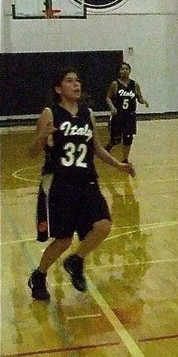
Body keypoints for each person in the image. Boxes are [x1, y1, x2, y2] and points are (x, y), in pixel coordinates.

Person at [27, 69, 136, 302]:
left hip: (87, 180)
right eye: (69, 81)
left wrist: (119, 164)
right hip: (60, 182)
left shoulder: (88, 114)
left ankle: (76, 260)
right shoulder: (50, 113)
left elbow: (96, 147)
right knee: (64, 239)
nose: (75, 84)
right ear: (58, 88)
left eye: (77, 80)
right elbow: (31, 153)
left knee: (104, 226)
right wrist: (40, 136)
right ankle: (39, 275)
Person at [105, 62, 149, 162]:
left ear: (130, 71)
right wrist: (112, 107)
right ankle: (109, 145)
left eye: (126, 69)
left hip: (130, 115)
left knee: (128, 137)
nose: (124, 71)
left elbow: (139, 97)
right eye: (122, 69)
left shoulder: (135, 84)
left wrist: (143, 101)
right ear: (119, 71)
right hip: (118, 115)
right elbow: (108, 97)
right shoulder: (115, 84)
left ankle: (125, 159)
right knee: (116, 139)